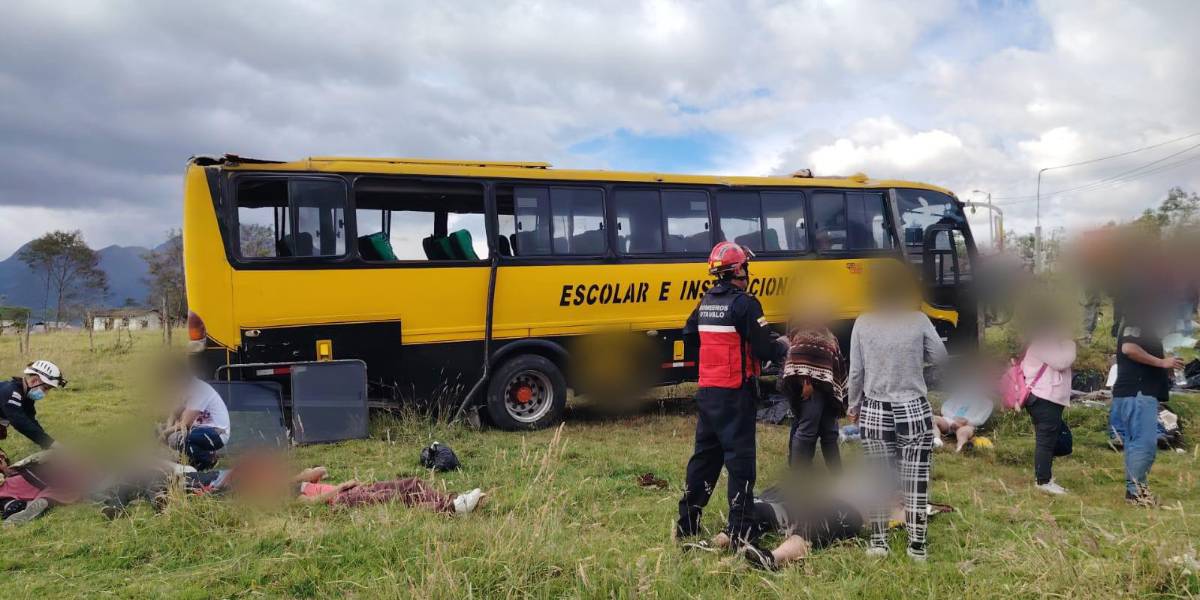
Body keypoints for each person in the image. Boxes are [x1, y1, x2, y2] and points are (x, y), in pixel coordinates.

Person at [676, 242, 784, 548]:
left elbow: (688, 335)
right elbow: (764, 348)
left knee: (704, 459)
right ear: (738, 270)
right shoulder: (746, 304)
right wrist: (782, 346)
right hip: (736, 394)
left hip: (708, 392)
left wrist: (711, 362)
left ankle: (687, 525)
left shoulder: (706, 301)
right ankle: (740, 531)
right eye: (746, 267)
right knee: (740, 463)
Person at [847, 261, 947, 561]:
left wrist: (853, 407)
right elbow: (940, 358)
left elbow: (855, 372)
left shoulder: (863, 323)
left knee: (878, 478)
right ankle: (917, 546)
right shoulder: (918, 320)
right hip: (914, 407)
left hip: (875, 409)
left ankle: (879, 543)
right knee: (915, 478)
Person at [1112, 303, 1181, 506]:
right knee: (1144, 445)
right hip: (1138, 395)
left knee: (1136, 445)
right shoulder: (1137, 321)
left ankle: (1135, 492)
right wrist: (1161, 363)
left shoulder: (1142, 324)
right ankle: (1137, 494)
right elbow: (1129, 348)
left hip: (1136, 395)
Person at [780, 297, 846, 472]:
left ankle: (837, 474)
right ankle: (799, 472)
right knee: (807, 430)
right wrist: (806, 382)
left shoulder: (829, 335)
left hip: (827, 391)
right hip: (810, 391)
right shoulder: (802, 334)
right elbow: (795, 361)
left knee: (830, 433)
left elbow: (836, 363)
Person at [1019, 302, 1077, 495]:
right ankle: (1043, 481)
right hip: (1044, 399)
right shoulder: (1042, 343)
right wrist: (1070, 343)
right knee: (1046, 440)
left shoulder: (1047, 343)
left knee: (1052, 438)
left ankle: (1044, 475)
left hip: (1048, 399)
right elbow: (1062, 362)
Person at [161, 363, 231, 470]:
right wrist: (166, 428)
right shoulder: (187, 388)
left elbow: (185, 423)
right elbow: (174, 413)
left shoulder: (199, 390)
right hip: (199, 430)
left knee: (179, 439)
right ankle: (189, 459)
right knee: (164, 431)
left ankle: (208, 460)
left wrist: (164, 434)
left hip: (216, 433)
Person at [0, 360, 66, 451]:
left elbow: (31, 421)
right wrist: (49, 443)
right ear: (35, 381)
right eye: (46, 388)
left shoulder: (25, 397)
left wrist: (47, 444)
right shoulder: (11, 392)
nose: (46, 393)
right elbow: (20, 422)